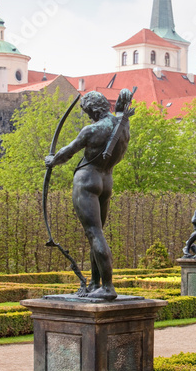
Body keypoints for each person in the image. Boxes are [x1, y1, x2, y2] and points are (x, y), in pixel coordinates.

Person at [45, 89, 134, 300]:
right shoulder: (123, 125)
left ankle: (108, 286)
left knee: (95, 233)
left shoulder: (91, 130)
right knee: (97, 233)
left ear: (93, 110)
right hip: (106, 180)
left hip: (87, 180)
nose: (88, 116)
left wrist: (52, 160)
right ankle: (96, 283)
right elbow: (121, 109)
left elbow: (68, 151)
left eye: (87, 112)